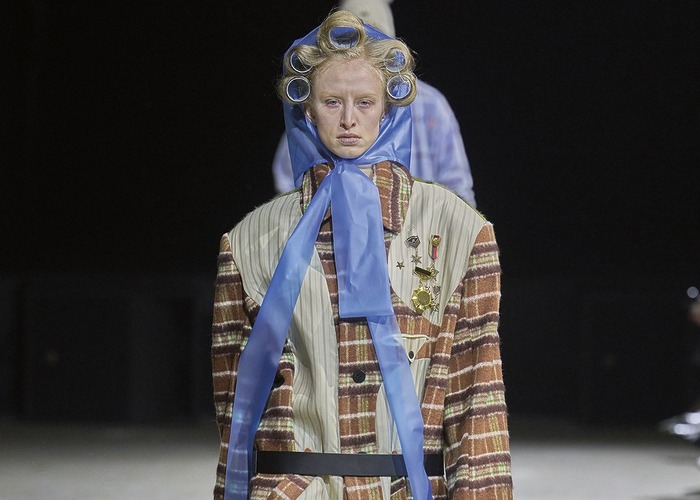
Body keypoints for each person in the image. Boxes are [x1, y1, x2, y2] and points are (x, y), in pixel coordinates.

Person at [211, 10, 512, 499]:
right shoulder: (249, 242)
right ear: (308, 110)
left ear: (387, 108)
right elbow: (235, 412)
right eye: (332, 102)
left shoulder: (461, 233)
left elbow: (477, 400)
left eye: (365, 102)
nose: (349, 119)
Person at [271, 0, 477, 206]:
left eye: (374, 40)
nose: (348, 120)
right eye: (333, 102)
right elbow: (287, 185)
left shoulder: (431, 105)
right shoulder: (312, 110)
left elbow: (458, 189)